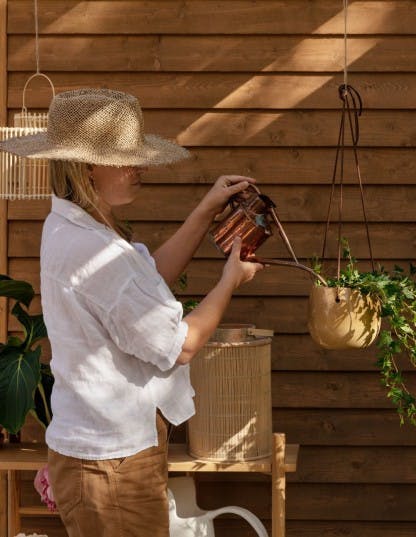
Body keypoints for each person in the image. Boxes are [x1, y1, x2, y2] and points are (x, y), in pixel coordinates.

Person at [0, 88, 265, 536]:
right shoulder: (90, 245)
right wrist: (230, 281)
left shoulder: (70, 224)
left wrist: (204, 212)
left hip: (102, 457)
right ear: (88, 167)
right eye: (127, 159)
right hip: (111, 467)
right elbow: (182, 345)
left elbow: (144, 279)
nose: (140, 167)